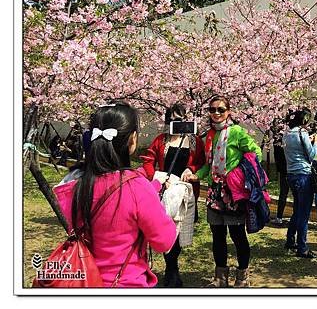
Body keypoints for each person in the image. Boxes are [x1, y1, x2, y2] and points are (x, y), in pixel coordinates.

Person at [53, 102, 177, 287]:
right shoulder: (137, 186)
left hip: (83, 280)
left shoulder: (75, 183)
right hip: (125, 284)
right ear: (133, 139)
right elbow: (164, 241)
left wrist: (154, 186)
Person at [196, 95, 262, 288]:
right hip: (214, 191)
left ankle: (242, 277)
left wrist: (239, 172)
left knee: (237, 234)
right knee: (217, 235)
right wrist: (195, 175)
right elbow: (207, 166)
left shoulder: (237, 132)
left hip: (233, 192)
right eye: (212, 109)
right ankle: (220, 277)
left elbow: (255, 152)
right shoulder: (208, 135)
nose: (216, 113)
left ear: (229, 112)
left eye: (221, 110)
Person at [141, 103, 206, 287]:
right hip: (166, 193)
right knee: (168, 229)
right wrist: (157, 178)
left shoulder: (194, 141)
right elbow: (148, 161)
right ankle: (171, 268)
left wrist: (191, 169)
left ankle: (173, 267)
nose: (176, 123)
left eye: (180, 119)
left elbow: (202, 162)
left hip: (186, 193)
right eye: (172, 119)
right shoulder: (161, 140)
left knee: (180, 231)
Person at [282, 108, 317, 259]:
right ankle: (303, 248)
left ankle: (290, 240)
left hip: (291, 175)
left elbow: (296, 149)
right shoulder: (302, 133)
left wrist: (310, 139)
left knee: (297, 210)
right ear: (305, 120)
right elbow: (311, 155)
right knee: (304, 213)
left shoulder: (287, 133)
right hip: (303, 176)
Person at [271, 115, 290, 226]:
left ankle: (279, 216)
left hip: (284, 169)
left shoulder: (278, 137)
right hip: (292, 168)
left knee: (283, 193)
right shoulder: (290, 136)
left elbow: (277, 155)